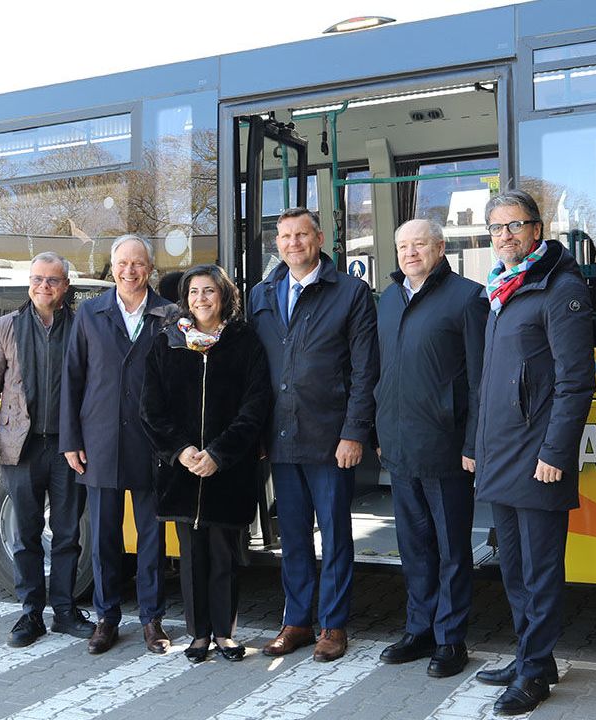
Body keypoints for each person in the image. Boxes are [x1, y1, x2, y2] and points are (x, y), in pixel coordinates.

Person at [473, 190, 595, 716]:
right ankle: (530, 658)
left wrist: (555, 453)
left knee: (540, 572)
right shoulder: (503, 290)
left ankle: (534, 673)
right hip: (501, 454)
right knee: (514, 569)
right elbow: (492, 383)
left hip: (538, 459)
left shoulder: (559, 288)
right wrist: (475, 447)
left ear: (537, 230)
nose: (505, 235)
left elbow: (577, 382)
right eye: (496, 228)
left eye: (515, 225)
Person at [247, 208, 379, 663]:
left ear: (319, 239)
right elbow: (254, 370)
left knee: (336, 535)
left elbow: (365, 370)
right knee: (293, 536)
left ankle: (334, 625)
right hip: (280, 436)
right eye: (285, 236)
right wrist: (255, 431)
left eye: (301, 234)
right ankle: (297, 622)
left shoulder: (350, 293)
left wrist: (354, 432)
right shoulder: (262, 293)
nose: (293, 243)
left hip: (330, 438)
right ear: (277, 244)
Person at [140, 265, 272, 664]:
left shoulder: (244, 341)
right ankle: (198, 634)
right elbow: (151, 409)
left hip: (227, 471)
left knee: (225, 555)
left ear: (224, 296)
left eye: (209, 291)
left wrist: (218, 454)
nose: (201, 299)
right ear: (185, 299)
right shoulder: (167, 342)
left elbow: (255, 406)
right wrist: (180, 451)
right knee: (192, 557)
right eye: (194, 292)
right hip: (181, 472)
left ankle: (225, 634)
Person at [374, 220, 487, 678]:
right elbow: (380, 371)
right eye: (403, 246)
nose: (410, 253)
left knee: (452, 549)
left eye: (419, 244)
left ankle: (451, 639)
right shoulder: (388, 299)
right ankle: (419, 630)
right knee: (414, 547)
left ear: (440, 248)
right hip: (399, 447)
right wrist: (379, 432)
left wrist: (472, 442)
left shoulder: (468, 298)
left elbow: (480, 380)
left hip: (447, 448)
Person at [0, 252, 96, 646]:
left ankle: (65, 611)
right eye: (38, 279)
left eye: (53, 280)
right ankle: (30, 614)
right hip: (19, 448)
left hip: (67, 447)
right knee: (25, 533)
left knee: (67, 533)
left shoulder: (81, 325)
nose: (44, 286)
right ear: (29, 283)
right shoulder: (5, 327)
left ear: (65, 286)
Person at [61, 234, 173, 655]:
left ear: (150, 268)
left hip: (152, 443)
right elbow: (72, 379)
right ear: (112, 267)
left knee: (151, 538)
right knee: (104, 537)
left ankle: (152, 619)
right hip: (100, 442)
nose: (130, 271)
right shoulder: (90, 314)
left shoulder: (169, 315)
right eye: (123, 263)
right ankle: (106, 618)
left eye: (138, 263)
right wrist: (71, 440)